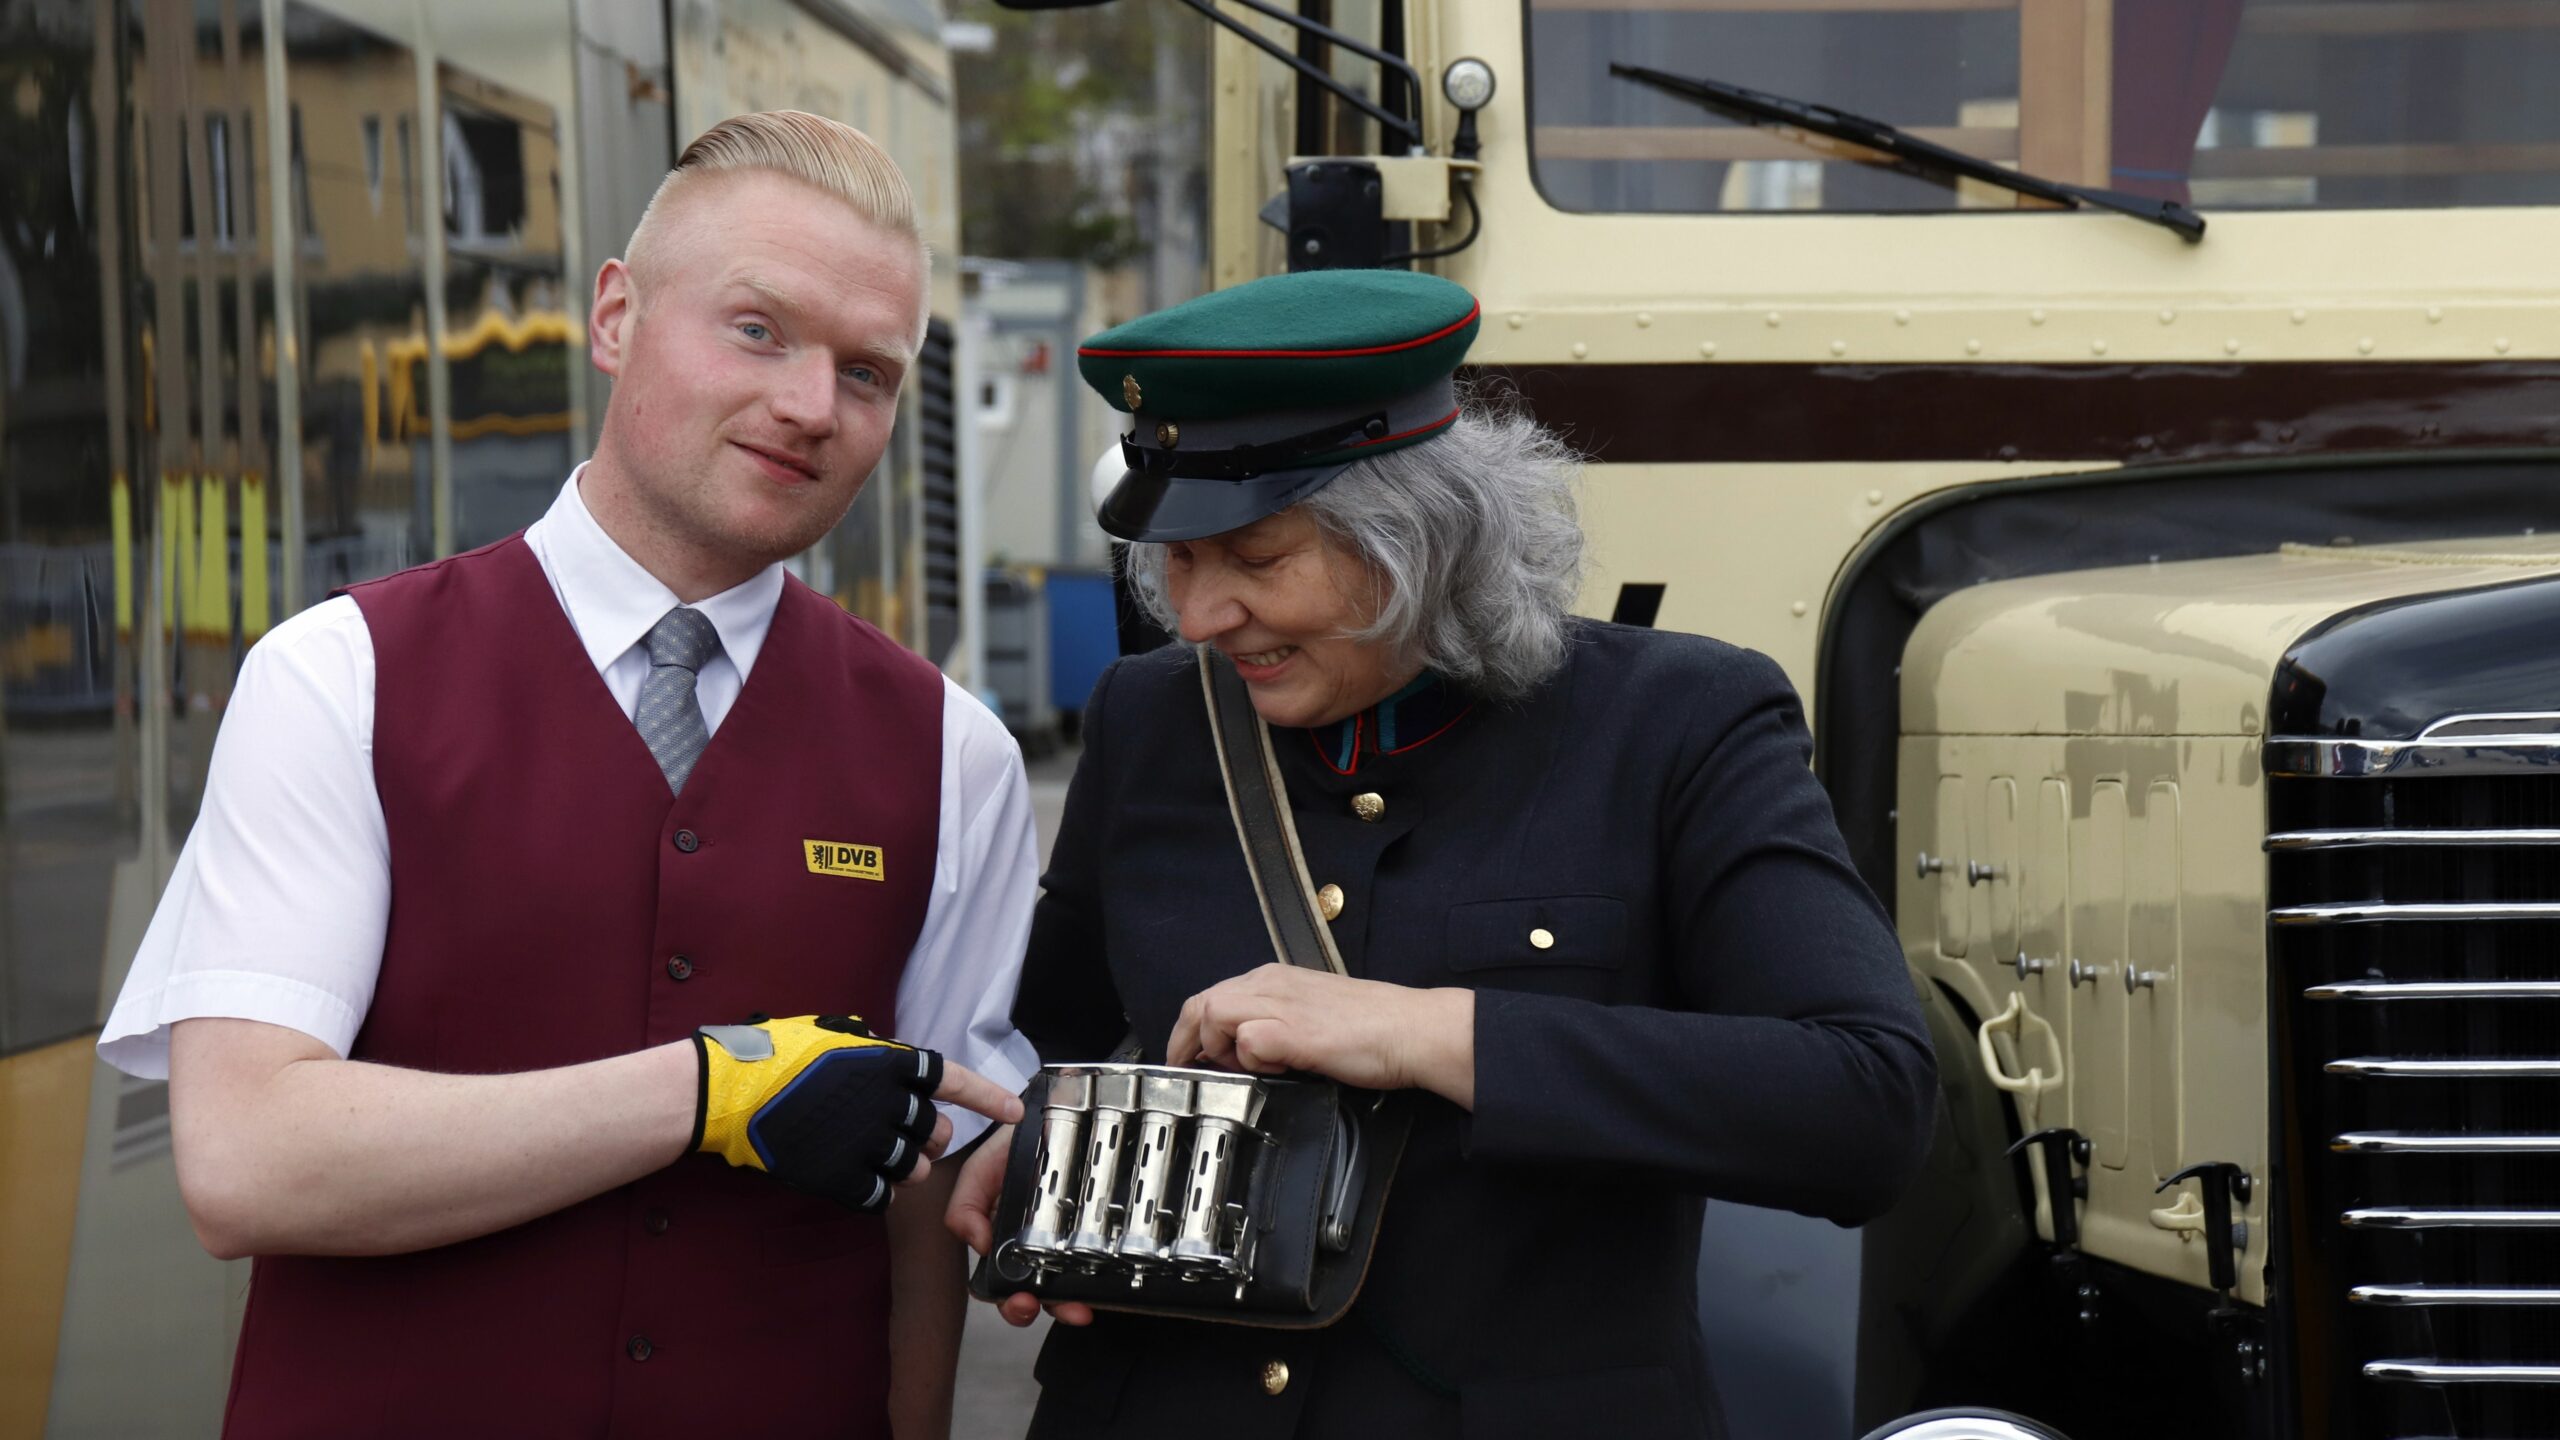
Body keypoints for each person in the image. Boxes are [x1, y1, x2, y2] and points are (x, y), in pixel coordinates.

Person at [98, 111, 1035, 1438]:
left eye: (869, 374)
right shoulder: (340, 679)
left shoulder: (956, 755)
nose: (811, 407)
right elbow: (247, 1164)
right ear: (615, 318)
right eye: (758, 329)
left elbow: (927, 1204)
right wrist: (709, 1092)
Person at [947, 268, 1937, 1439]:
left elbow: (1865, 1106)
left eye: (1256, 559)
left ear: (1423, 538)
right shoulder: (1149, 722)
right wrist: (1020, 1162)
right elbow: (1048, 1038)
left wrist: (1431, 1033)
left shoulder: (1677, 724)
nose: (1202, 616)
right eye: (1177, 561)